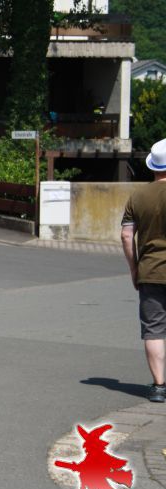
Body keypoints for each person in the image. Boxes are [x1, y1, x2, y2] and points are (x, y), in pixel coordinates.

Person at [121, 137, 166, 403]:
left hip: (150, 270)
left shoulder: (137, 196)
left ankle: (159, 387)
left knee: (154, 329)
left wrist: (134, 269)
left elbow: (127, 235)